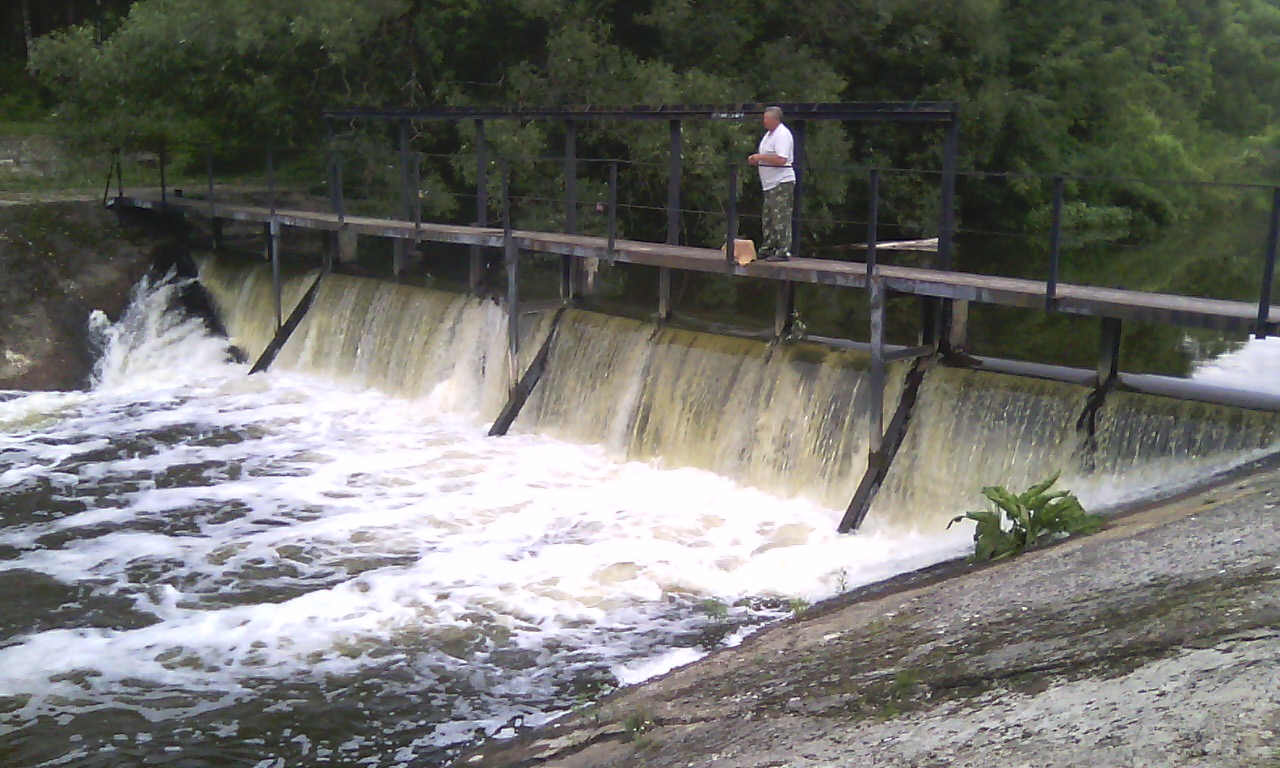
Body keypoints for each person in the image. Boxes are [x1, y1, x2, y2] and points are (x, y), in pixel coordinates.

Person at [747, 106, 796, 262]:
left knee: (781, 216)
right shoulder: (769, 135)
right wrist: (758, 160)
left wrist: (761, 157)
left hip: (781, 181)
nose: (764, 121)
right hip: (769, 183)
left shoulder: (782, 134)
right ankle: (768, 247)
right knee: (768, 216)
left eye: (767, 118)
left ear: (775, 119)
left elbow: (782, 159)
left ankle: (783, 250)